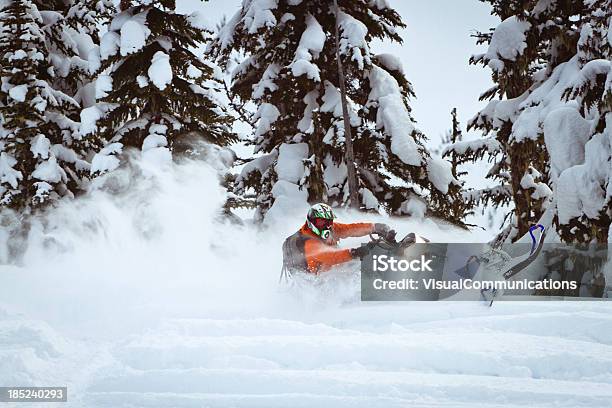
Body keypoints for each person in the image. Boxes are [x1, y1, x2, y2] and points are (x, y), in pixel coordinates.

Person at [282, 203, 394, 275]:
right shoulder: (308, 242)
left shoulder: (329, 228)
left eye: (329, 221)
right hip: (318, 282)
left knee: (358, 263)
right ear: (311, 222)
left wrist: (374, 227)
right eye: (321, 222)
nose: (326, 225)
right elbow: (331, 257)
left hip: (331, 269)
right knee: (358, 266)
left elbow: (350, 229)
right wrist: (354, 253)